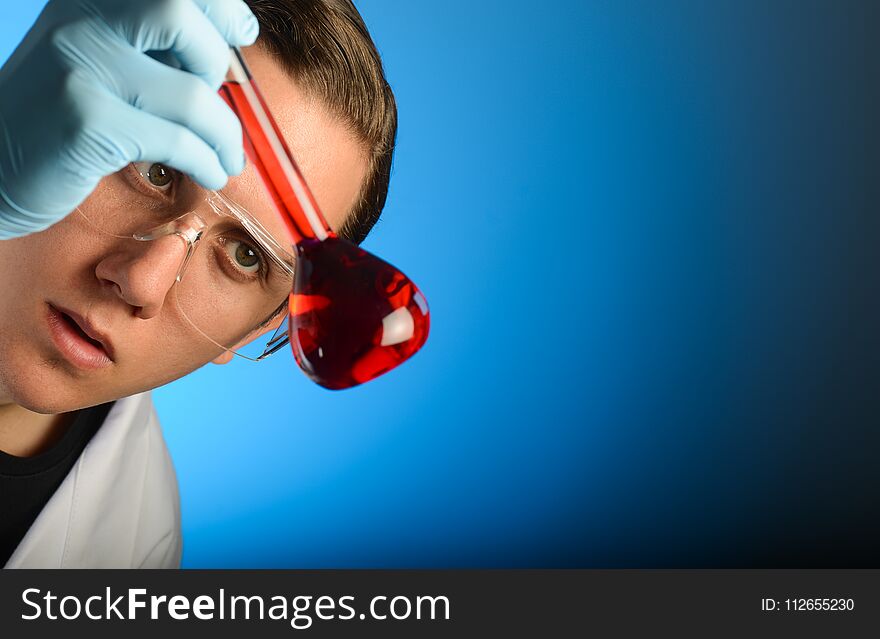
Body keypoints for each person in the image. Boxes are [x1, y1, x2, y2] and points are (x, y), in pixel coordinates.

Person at [0, 0, 397, 568]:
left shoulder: (141, 549)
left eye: (243, 256)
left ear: (261, 328)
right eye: (155, 170)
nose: (142, 282)